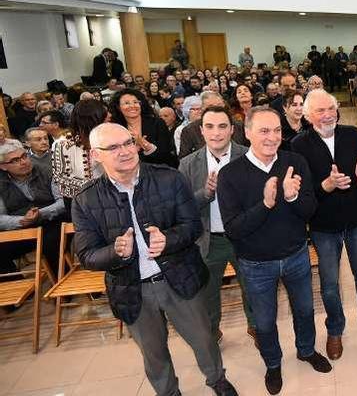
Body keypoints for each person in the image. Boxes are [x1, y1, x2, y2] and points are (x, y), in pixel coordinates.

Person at [72, 123, 237, 396]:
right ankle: (169, 392)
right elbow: (87, 255)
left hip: (180, 278)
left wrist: (168, 240)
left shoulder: (168, 178)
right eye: (113, 147)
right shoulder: (86, 200)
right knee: (153, 351)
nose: (124, 151)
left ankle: (217, 379)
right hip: (132, 288)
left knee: (203, 338)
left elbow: (192, 225)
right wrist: (115, 252)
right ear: (95, 155)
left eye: (128, 143)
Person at [217, 106, 331, 393]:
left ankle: (306, 350)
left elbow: (310, 210)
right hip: (256, 264)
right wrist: (266, 204)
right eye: (264, 131)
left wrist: (291, 197)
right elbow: (234, 228)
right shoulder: (230, 174)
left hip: (296, 255)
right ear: (247, 133)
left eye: (277, 130)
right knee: (265, 322)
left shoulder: (295, 162)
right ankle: (273, 364)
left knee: (304, 310)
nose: (272, 137)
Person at [290, 89, 357, 360]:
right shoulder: (299, 145)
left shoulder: (352, 134)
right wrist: (327, 185)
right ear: (309, 116)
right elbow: (304, 194)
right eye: (320, 111)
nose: (327, 115)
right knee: (330, 285)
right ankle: (335, 329)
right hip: (323, 227)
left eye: (331, 109)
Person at [178, 106, 256, 346]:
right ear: (201, 131)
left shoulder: (249, 156)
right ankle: (212, 333)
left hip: (244, 238)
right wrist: (206, 193)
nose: (216, 133)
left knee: (253, 288)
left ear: (232, 130)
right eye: (209, 126)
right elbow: (182, 207)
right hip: (208, 239)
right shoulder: (188, 164)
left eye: (222, 126)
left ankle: (257, 328)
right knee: (208, 295)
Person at [0, 140, 65, 277]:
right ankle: (16, 287)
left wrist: (41, 213)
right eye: (15, 160)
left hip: (52, 221)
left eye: (24, 156)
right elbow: (1, 217)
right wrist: (22, 220)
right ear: (3, 166)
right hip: (22, 228)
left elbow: (62, 202)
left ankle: (63, 285)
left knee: (50, 243)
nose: (23, 162)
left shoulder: (47, 171)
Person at [110, 89, 178, 168]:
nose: (132, 106)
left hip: (157, 170)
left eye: (135, 102)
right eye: (126, 103)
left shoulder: (157, 123)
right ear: (118, 107)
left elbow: (166, 154)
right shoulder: (115, 128)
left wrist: (146, 146)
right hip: (128, 172)